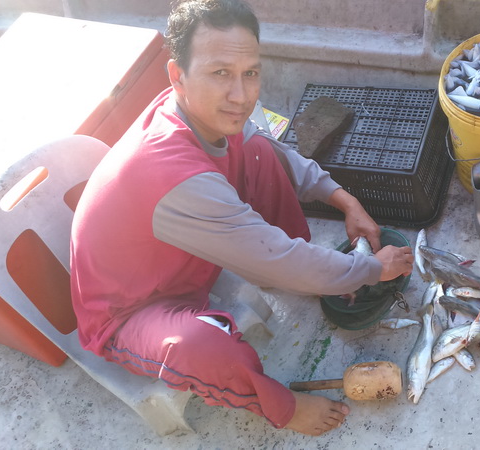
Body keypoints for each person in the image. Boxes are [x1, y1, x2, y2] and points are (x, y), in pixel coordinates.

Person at [69, 0, 413, 437]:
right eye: (220, 73)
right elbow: (274, 257)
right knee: (205, 345)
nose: (241, 95)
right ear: (177, 76)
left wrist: (345, 201)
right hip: (129, 310)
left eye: (250, 72)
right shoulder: (173, 176)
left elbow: (279, 154)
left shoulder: (202, 112)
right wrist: (371, 269)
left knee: (259, 150)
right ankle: (282, 406)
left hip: (184, 259)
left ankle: (310, 276)